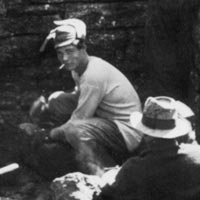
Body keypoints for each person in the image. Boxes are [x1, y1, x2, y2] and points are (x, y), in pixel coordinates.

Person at [29, 18, 143, 175]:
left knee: (75, 130)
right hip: (105, 118)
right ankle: (71, 147)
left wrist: (50, 134)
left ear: (83, 48)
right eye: (60, 53)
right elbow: (79, 96)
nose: (65, 58)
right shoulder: (77, 68)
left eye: (70, 51)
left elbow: (79, 119)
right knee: (57, 100)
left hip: (126, 133)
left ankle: (103, 173)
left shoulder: (93, 75)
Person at [97, 96, 200, 200]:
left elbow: (108, 193)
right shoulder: (197, 155)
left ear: (146, 134)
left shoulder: (134, 168)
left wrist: (108, 178)